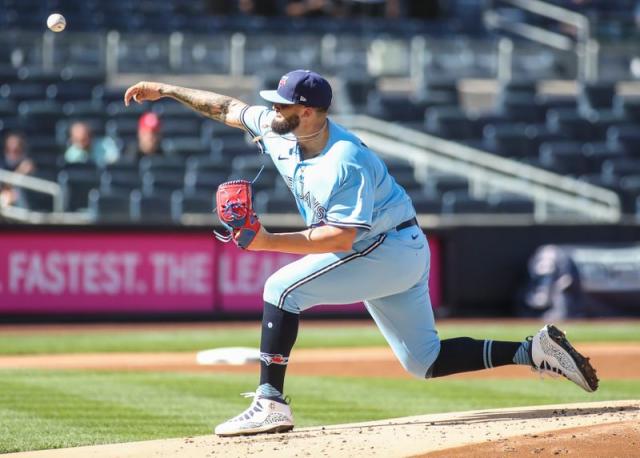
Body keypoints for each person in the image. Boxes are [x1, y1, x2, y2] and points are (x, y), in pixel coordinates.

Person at [124, 69, 599, 437]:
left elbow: (340, 240)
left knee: (281, 288)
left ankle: (270, 401)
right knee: (423, 360)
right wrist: (165, 89)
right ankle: (531, 351)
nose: (274, 109)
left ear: (308, 112)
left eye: (284, 104)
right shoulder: (278, 129)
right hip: (396, 248)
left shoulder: (344, 160)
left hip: (384, 250)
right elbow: (227, 107)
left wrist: (268, 242)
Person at [1, 132, 35, 208]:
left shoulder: (27, 163)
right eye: (8, 150)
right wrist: (20, 171)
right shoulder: (2, 163)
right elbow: (4, 185)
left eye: (16, 150)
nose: (12, 154)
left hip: (26, 204)